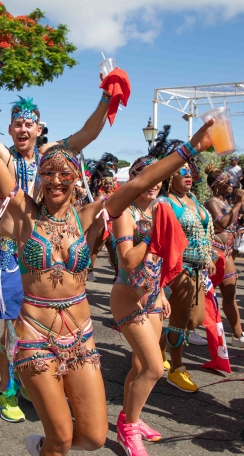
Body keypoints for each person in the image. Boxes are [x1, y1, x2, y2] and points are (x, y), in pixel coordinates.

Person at [0, 55, 214, 455]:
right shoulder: (24, 214)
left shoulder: (90, 215)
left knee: (94, 439)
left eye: (65, 173)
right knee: (63, 440)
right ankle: (44, 439)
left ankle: (40, 446)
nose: (57, 179)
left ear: (76, 177)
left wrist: (191, 148)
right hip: (37, 338)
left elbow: (144, 180)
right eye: (49, 173)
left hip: (81, 339)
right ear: (40, 178)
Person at [0, 50, 120, 422]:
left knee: (53, 322)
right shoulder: (3, 153)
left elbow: (88, 132)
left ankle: (38, 382)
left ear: (39, 128)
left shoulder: (52, 157)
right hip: (12, 253)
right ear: (12, 128)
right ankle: (7, 390)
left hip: (51, 251)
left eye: (29, 124)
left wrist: (106, 97)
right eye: (17, 123)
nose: (22, 129)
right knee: (14, 328)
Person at [111, 156, 171, 456]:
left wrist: (161, 294)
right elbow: (129, 261)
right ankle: (128, 431)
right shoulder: (125, 213)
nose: (154, 182)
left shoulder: (160, 209)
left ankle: (128, 416)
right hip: (127, 297)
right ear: (135, 179)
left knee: (138, 366)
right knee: (154, 368)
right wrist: (151, 234)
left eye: (157, 176)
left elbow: (158, 260)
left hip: (154, 298)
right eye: (146, 176)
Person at [159, 161, 215, 393]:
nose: (188, 175)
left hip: (198, 267)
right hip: (178, 268)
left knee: (195, 320)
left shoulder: (194, 200)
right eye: (181, 172)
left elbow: (204, 233)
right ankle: (176, 369)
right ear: (169, 178)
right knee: (180, 322)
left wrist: (209, 258)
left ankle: (158, 347)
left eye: (190, 172)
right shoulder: (166, 202)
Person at [204, 165, 244, 347]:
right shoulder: (212, 202)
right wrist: (238, 204)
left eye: (231, 181)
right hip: (213, 254)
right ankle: (185, 331)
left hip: (226, 253)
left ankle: (237, 335)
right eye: (226, 182)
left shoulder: (227, 203)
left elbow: (232, 224)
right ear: (216, 185)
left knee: (230, 293)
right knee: (200, 297)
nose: (231, 184)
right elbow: (222, 222)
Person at [87, 153, 119, 282]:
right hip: (101, 227)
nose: (110, 185)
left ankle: (118, 274)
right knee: (95, 250)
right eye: (107, 182)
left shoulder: (115, 195)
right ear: (102, 182)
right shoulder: (98, 197)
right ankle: (89, 271)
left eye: (112, 182)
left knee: (114, 251)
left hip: (112, 227)